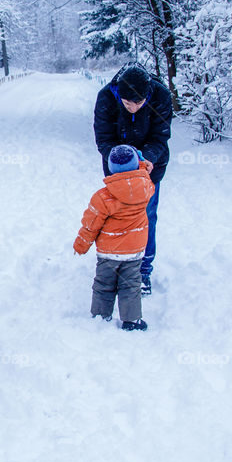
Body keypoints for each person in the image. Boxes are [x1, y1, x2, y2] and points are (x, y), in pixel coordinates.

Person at [93, 63, 172, 295]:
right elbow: (103, 139)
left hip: (150, 169)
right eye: (128, 104)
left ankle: (143, 270)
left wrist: (146, 159)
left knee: (146, 217)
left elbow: (161, 136)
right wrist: (121, 162)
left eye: (139, 103)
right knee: (117, 217)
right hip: (117, 170)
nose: (134, 108)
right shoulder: (106, 98)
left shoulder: (161, 96)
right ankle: (116, 267)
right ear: (120, 95)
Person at [73, 145, 155, 331]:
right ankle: (131, 321)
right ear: (136, 165)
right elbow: (144, 173)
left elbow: (91, 224)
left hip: (109, 251)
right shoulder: (146, 188)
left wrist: (81, 245)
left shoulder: (103, 197)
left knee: (104, 284)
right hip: (134, 250)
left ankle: (100, 317)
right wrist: (141, 163)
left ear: (110, 168)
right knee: (131, 285)